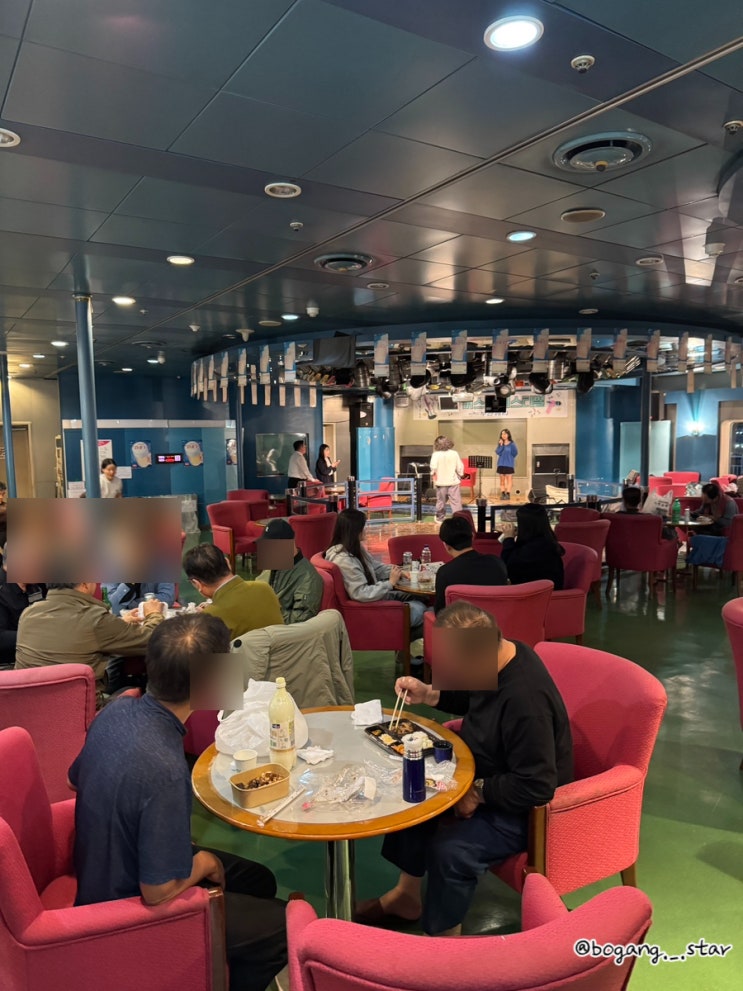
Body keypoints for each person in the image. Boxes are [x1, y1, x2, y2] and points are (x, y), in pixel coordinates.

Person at [68, 613, 287, 991]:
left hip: (101, 866)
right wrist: (204, 862)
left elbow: (74, 779)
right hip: (123, 909)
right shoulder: (166, 769)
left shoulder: (118, 708)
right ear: (213, 678)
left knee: (259, 879)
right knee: (283, 925)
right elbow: (158, 892)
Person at [355, 601, 573, 935]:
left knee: (451, 851)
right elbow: (472, 696)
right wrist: (429, 694)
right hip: (478, 771)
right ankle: (406, 896)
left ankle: (445, 939)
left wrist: (477, 792)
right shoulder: (500, 655)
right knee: (411, 794)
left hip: (521, 807)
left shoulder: (526, 702)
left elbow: (537, 785)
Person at [15, 581, 164, 704]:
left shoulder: (28, 614)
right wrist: (154, 614)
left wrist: (119, 624)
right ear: (85, 584)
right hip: (81, 713)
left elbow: (70, 632)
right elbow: (153, 640)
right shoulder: (95, 618)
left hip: (28, 712)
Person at [325, 508, 428, 636]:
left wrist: (398, 571)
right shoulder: (344, 560)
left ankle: (405, 638)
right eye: (363, 527)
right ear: (355, 531)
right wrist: (390, 583)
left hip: (377, 597)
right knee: (425, 610)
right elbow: (361, 593)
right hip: (370, 609)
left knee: (423, 598)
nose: (365, 530)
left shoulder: (355, 549)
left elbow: (376, 568)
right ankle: (402, 639)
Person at [183, 543, 284, 639]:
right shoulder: (264, 588)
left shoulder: (210, 619)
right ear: (228, 563)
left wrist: (206, 615)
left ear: (197, 583)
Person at [256, 518, 323, 624]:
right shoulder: (272, 565)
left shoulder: (308, 578)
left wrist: (266, 612)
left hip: (278, 631)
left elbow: (299, 622)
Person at [434, 516, 508, 613]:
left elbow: (440, 613)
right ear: (472, 537)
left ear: (446, 545)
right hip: (495, 619)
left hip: (460, 621)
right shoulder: (497, 563)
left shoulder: (445, 572)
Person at [0, 545, 46, 668]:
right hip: (8, 666)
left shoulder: (35, 587)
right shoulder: (2, 591)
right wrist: (36, 634)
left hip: (35, 657)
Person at [500, 503, 565, 590]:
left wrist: (508, 539)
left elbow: (506, 567)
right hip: (539, 590)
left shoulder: (535, 548)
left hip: (538, 593)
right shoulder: (547, 542)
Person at [430, 435, 464, 523]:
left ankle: (440, 518)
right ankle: (458, 519)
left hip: (441, 482)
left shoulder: (435, 454)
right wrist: (460, 475)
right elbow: (459, 467)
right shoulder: (454, 453)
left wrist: (433, 475)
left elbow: (433, 467)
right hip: (453, 482)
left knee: (441, 501)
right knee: (456, 502)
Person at [101, 581, 177, 616]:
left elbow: (168, 598)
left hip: (154, 622)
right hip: (122, 626)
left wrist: (130, 604)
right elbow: (111, 608)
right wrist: (129, 583)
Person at [495, 429, 518, 501]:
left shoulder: (512, 444)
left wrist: (509, 458)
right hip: (501, 464)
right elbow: (498, 452)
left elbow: (515, 453)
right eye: (502, 434)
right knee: (502, 481)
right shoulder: (500, 443)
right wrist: (501, 445)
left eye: (505, 434)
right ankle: (503, 494)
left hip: (509, 464)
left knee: (509, 480)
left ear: (508, 435)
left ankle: (508, 494)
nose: (503, 435)